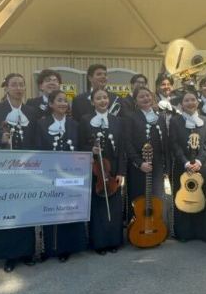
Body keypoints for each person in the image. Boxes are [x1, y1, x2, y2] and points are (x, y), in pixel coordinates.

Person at [0, 73, 38, 272]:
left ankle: (26, 252)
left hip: (27, 168)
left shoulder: (31, 112)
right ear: (6, 88)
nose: (18, 88)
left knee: (25, 209)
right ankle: (8, 255)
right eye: (14, 85)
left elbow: (36, 138)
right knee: (6, 210)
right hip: (4, 168)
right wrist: (0, 140)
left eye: (21, 85)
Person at [35, 90, 87, 262]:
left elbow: (80, 148)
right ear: (50, 104)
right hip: (50, 175)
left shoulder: (75, 124)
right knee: (50, 211)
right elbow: (39, 150)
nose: (64, 103)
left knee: (68, 209)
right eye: (59, 100)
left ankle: (66, 247)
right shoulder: (41, 125)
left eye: (65, 101)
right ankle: (48, 247)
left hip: (71, 175)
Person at [78, 88, 126, 254]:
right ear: (92, 102)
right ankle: (99, 243)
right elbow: (79, 145)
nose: (103, 101)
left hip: (112, 171)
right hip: (96, 169)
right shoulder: (85, 120)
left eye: (105, 98)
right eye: (98, 98)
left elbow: (121, 149)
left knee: (114, 206)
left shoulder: (117, 121)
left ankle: (114, 241)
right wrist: (90, 149)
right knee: (97, 208)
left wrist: (121, 171)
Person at [168, 88, 206, 243]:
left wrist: (200, 161)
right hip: (183, 166)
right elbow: (174, 144)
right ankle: (184, 232)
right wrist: (185, 162)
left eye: (193, 100)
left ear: (198, 102)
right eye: (186, 100)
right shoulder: (176, 121)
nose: (190, 103)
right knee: (183, 198)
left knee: (203, 196)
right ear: (181, 104)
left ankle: (203, 232)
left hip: (202, 166)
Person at [124, 87, 168, 226]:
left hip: (157, 166)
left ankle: (156, 228)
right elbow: (128, 143)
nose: (145, 99)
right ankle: (137, 230)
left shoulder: (160, 117)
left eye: (147, 96)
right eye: (141, 97)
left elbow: (165, 142)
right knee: (138, 198)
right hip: (138, 166)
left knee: (156, 197)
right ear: (136, 101)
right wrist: (139, 163)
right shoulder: (130, 117)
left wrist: (165, 166)